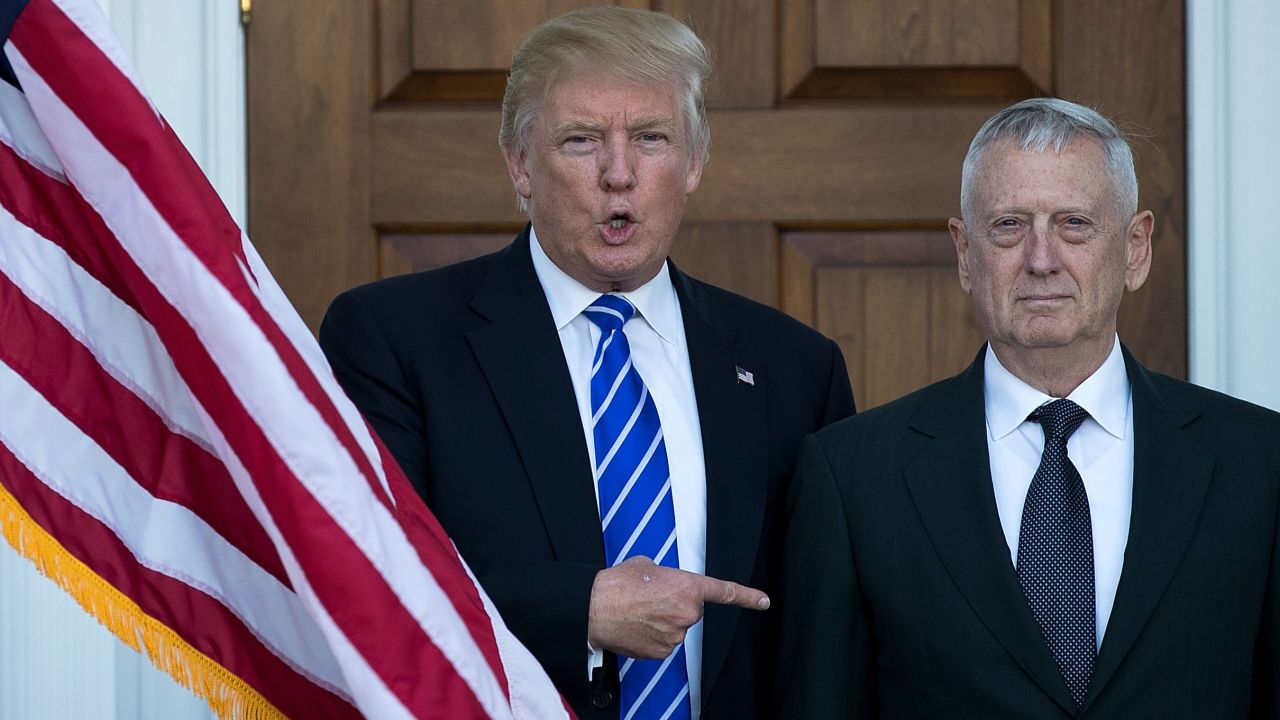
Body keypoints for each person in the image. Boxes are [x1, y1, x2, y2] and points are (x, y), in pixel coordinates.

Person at [319, 7, 854, 719]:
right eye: (581, 141)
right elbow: (366, 574)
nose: (619, 175)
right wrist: (583, 609)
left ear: (693, 162)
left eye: (651, 139)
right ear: (519, 163)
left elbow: (826, 636)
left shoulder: (794, 366)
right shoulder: (393, 338)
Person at [775, 97, 1280, 718]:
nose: (1041, 260)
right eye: (1009, 226)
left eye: (1074, 224)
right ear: (965, 253)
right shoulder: (854, 477)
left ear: (1136, 249)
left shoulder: (1259, 463)